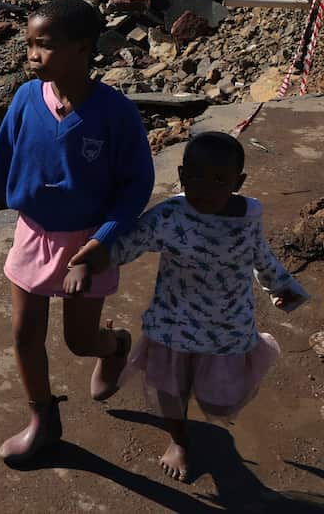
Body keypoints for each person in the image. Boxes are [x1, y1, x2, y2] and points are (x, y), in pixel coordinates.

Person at [0, 0, 155, 465]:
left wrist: (103, 242)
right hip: (35, 232)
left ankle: (115, 345)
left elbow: (137, 187)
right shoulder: (25, 99)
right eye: (29, 45)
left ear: (82, 49)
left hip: (89, 242)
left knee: (79, 341)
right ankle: (43, 418)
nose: (33, 55)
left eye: (45, 46)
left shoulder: (117, 114)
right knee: (24, 334)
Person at [69, 132, 308, 482]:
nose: (206, 188)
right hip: (173, 324)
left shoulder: (248, 216)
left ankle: (133, 365)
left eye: (218, 180)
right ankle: (178, 440)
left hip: (227, 327)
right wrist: (87, 264)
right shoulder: (170, 216)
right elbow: (129, 244)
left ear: (237, 182)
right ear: (181, 176)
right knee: (171, 391)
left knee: (218, 402)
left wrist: (282, 286)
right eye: (196, 177)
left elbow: (261, 256)